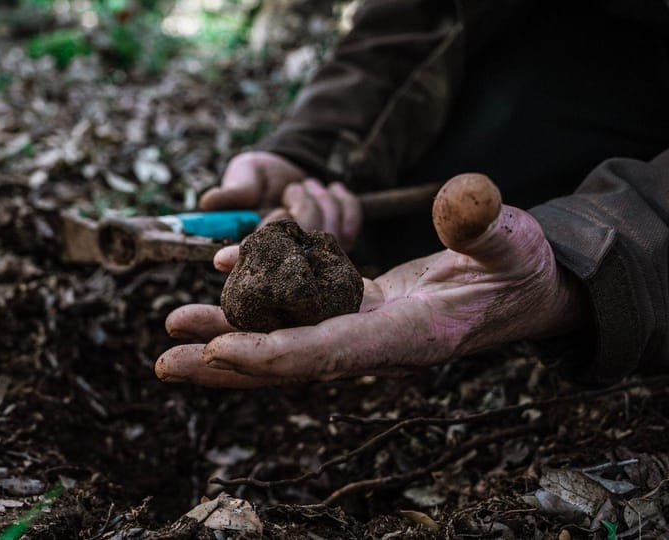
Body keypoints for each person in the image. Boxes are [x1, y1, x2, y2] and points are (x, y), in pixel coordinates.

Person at [154, 0, 669, 388]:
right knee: (415, 231)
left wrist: (599, 263)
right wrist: (311, 148)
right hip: (555, 43)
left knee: (589, 270)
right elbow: (417, 15)